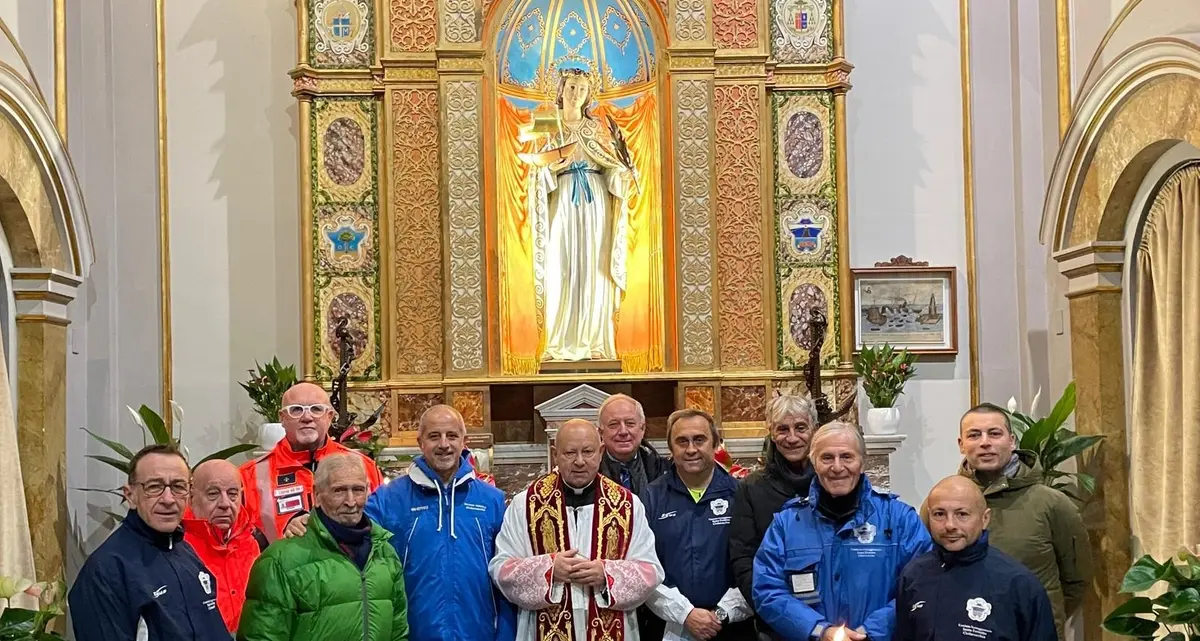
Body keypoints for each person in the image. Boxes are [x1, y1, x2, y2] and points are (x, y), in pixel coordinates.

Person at [753, 422, 931, 641]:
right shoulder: (786, 524)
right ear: (814, 463)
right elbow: (767, 591)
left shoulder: (900, 519)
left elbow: (922, 585)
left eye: (847, 457)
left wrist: (869, 632)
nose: (837, 467)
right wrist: (819, 631)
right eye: (827, 458)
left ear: (862, 463)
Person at [490, 418, 664, 640]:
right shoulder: (525, 504)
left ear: (601, 451)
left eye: (588, 452)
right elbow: (501, 569)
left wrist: (607, 574)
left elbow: (650, 571)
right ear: (555, 454)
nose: (579, 461)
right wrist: (549, 570)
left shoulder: (627, 505)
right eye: (570, 453)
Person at [364, 405, 515, 641]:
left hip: (478, 632)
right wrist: (305, 521)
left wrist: (505, 635)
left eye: (452, 436)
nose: (444, 444)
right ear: (420, 442)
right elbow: (348, 531)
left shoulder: (491, 500)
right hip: (413, 632)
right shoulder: (389, 499)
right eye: (434, 436)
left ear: (464, 441)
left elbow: (506, 574)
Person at [955, 404, 1092, 640]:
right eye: (974, 435)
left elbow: (1076, 580)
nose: (985, 442)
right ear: (961, 445)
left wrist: (1042, 614)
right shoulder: (945, 502)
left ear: (1012, 441)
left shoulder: (1051, 503)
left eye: (994, 433)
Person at [526, 66, 635, 362]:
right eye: (571, 87)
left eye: (582, 89)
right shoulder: (546, 122)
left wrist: (622, 174)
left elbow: (611, 164)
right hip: (561, 199)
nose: (576, 94)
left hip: (595, 199)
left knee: (594, 268)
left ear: (589, 95)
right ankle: (558, 341)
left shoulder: (597, 128)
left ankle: (595, 340)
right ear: (561, 90)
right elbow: (531, 168)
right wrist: (551, 168)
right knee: (561, 267)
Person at [237, 453, 408, 641]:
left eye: (358, 490)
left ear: (368, 492)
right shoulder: (280, 561)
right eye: (339, 491)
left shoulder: (385, 554)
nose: (351, 502)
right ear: (317, 496)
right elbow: (260, 637)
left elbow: (398, 633)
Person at [68, 444, 229, 641]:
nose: (168, 499)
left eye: (178, 487)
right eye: (154, 487)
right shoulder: (107, 571)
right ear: (130, 495)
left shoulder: (187, 554)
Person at [896, 476, 1056, 641]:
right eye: (939, 514)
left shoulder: (1019, 583)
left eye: (962, 514)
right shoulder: (913, 575)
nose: (950, 525)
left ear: (984, 519)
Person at [643, 409, 754, 641]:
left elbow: (756, 564)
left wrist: (722, 613)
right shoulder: (650, 498)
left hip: (732, 627)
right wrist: (685, 613)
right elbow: (643, 568)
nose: (691, 449)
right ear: (671, 450)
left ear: (715, 444)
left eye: (699, 440)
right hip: (669, 626)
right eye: (682, 441)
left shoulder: (742, 494)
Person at [240, 382, 383, 541]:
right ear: (282, 418)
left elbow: (381, 527)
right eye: (296, 410)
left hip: (350, 563)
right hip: (281, 563)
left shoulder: (363, 466)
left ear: (329, 417)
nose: (307, 418)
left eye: (316, 409)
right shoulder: (250, 475)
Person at [728, 395, 818, 638]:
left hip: (831, 615)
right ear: (771, 433)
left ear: (814, 429)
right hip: (775, 620)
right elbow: (743, 557)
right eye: (782, 429)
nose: (792, 438)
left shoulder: (831, 479)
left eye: (800, 428)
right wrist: (773, 610)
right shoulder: (752, 488)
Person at [183, 459, 268, 632]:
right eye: (213, 494)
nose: (225, 504)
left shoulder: (253, 541)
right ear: (192, 499)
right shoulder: (177, 548)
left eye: (232, 494)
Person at [597, 393, 668, 495]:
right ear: (601, 432)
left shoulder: (661, 469)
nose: (623, 431)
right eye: (614, 424)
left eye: (630, 423)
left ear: (642, 429)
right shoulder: (589, 471)